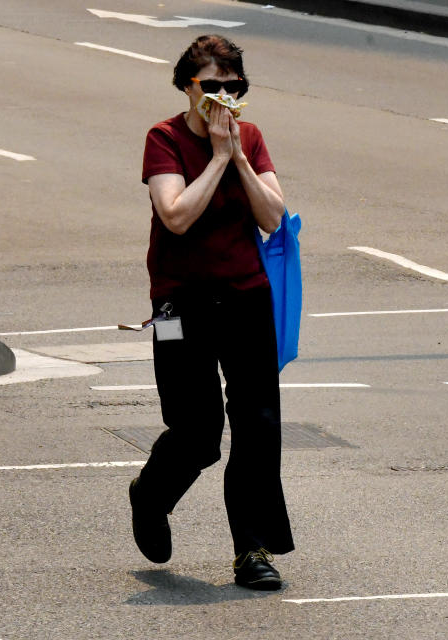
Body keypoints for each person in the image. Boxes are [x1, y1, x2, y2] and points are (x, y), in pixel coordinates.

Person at [129, 34, 294, 590]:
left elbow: (273, 216)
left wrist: (239, 157)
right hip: (181, 301)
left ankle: (252, 548)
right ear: (187, 86)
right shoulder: (165, 138)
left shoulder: (248, 137)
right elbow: (174, 214)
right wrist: (217, 158)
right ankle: (150, 495)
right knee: (198, 431)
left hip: (246, 295)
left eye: (235, 86)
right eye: (212, 86)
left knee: (259, 426)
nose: (224, 96)